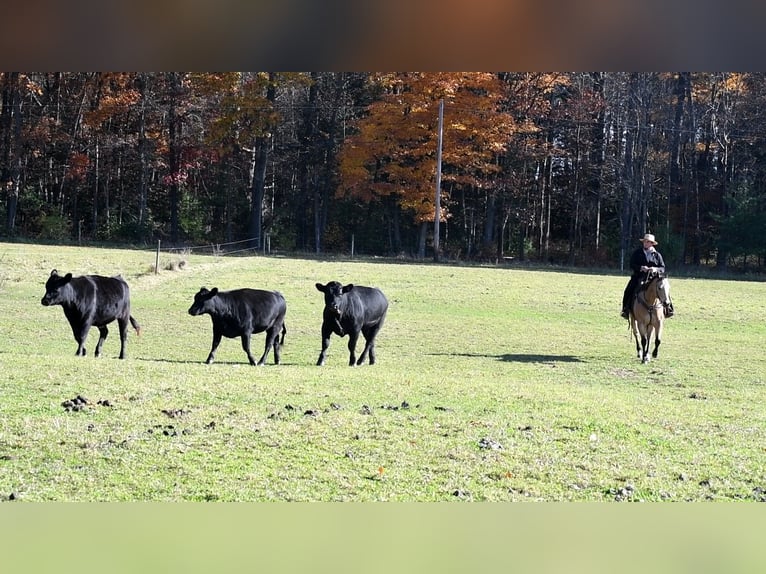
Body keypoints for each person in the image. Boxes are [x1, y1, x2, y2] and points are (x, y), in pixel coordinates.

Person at [621, 233, 674, 319]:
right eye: (645, 241)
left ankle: (669, 309)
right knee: (628, 289)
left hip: (654, 278)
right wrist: (641, 268)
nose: (645, 243)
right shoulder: (637, 253)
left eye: (648, 242)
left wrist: (654, 269)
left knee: (664, 289)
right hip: (638, 276)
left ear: (652, 243)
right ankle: (626, 310)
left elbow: (662, 268)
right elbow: (631, 264)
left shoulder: (657, 255)